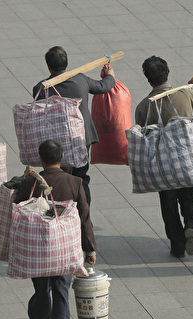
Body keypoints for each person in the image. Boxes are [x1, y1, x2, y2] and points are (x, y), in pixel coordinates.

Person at [15, 140, 97, 319]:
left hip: (38, 248)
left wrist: (22, 180)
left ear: (41, 159)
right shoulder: (75, 182)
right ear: (61, 157)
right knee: (61, 292)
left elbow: (16, 206)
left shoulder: (32, 183)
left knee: (42, 290)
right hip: (64, 249)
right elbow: (85, 218)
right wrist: (90, 249)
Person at [134, 56, 193, 258]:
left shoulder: (144, 107)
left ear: (148, 79)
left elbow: (143, 136)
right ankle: (191, 225)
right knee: (188, 196)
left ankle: (177, 246)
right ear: (167, 72)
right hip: (187, 161)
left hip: (163, 167)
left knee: (168, 205)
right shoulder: (184, 94)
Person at [33, 46, 116, 205]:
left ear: (49, 66)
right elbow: (103, 87)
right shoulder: (80, 79)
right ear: (67, 63)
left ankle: (64, 210)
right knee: (81, 177)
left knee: (60, 178)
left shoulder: (41, 88)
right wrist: (110, 75)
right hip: (81, 138)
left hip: (57, 142)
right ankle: (84, 211)